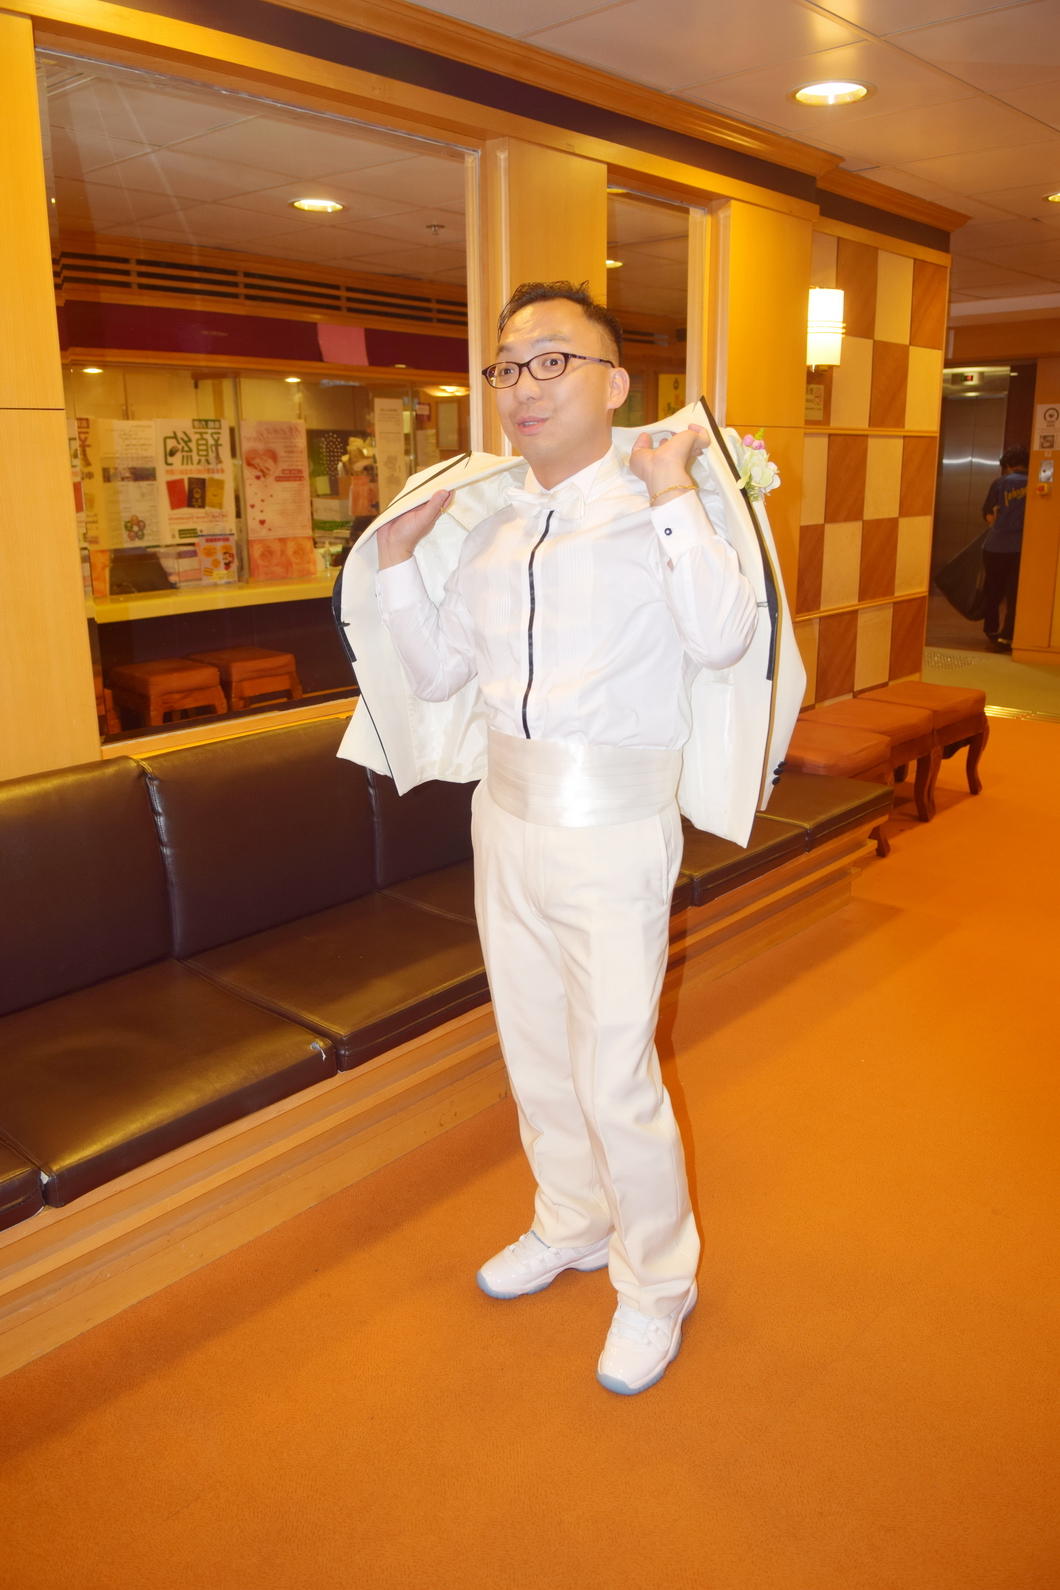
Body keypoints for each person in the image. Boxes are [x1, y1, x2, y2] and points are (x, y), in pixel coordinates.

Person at [368, 280, 758, 1396]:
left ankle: (657, 1282)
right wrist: (397, 562)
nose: (522, 387)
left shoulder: (664, 512)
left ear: (615, 383)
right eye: (506, 366)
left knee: (614, 1068)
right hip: (505, 817)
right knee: (533, 1046)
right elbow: (436, 675)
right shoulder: (492, 531)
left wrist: (672, 487)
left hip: (614, 826)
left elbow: (724, 638)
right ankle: (572, 1220)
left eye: (552, 360)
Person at [981, 445, 1028, 650]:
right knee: (1014, 594)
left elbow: (988, 514)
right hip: (1020, 547)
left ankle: (991, 629)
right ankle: (1007, 637)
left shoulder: (1000, 483)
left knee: (993, 590)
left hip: (994, 546)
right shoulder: (1037, 483)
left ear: (1008, 465)